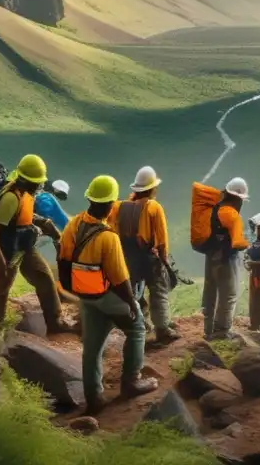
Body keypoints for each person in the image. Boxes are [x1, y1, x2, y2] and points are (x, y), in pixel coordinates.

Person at [59, 175, 158, 414]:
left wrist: (71, 288)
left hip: (86, 295)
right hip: (107, 294)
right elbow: (119, 277)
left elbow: (63, 259)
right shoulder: (108, 237)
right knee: (137, 329)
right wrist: (132, 304)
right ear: (110, 204)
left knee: (92, 348)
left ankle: (94, 397)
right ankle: (131, 382)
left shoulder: (74, 225)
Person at [0, 154, 69, 333]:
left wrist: (44, 224)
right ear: (25, 180)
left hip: (24, 246)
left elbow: (23, 216)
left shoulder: (26, 194)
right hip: (8, 250)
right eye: (36, 182)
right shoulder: (10, 198)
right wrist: (1, 265)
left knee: (45, 278)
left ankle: (55, 324)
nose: (39, 186)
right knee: (2, 288)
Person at [110, 166, 179, 344]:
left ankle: (139, 325)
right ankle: (162, 329)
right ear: (152, 188)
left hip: (128, 257)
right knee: (159, 291)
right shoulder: (154, 207)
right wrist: (164, 260)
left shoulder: (119, 206)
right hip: (149, 257)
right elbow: (162, 241)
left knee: (133, 292)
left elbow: (111, 231)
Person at [201, 177, 250, 340]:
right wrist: (246, 244)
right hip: (226, 259)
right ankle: (221, 331)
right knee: (228, 294)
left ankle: (207, 329)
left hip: (210, 257)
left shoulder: (214, 210)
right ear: (237, 198)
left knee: (210, 292)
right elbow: (237, 242)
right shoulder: (232, 215)